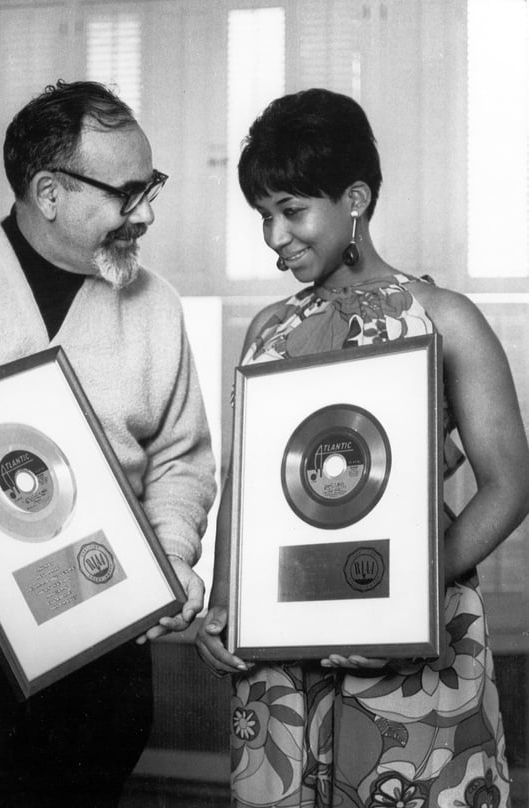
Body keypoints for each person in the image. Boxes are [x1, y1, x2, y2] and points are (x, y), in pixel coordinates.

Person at [196, 88, 529, 807]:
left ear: (355, 198)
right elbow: (243, 482)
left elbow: (509, 484)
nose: (273, 236)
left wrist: (412, 592)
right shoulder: (266, 332)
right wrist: (224, 604)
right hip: (280, 650)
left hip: (414, 638)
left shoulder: (446, 318)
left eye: (290, 211)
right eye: (262, 216)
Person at [0, 80, 216, 808]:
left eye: (151, 185)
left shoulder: (154, 305)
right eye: (128, 193)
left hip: (105, 651)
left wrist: (171, 553)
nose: (149, 212)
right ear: (48, 191)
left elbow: (180, 460)